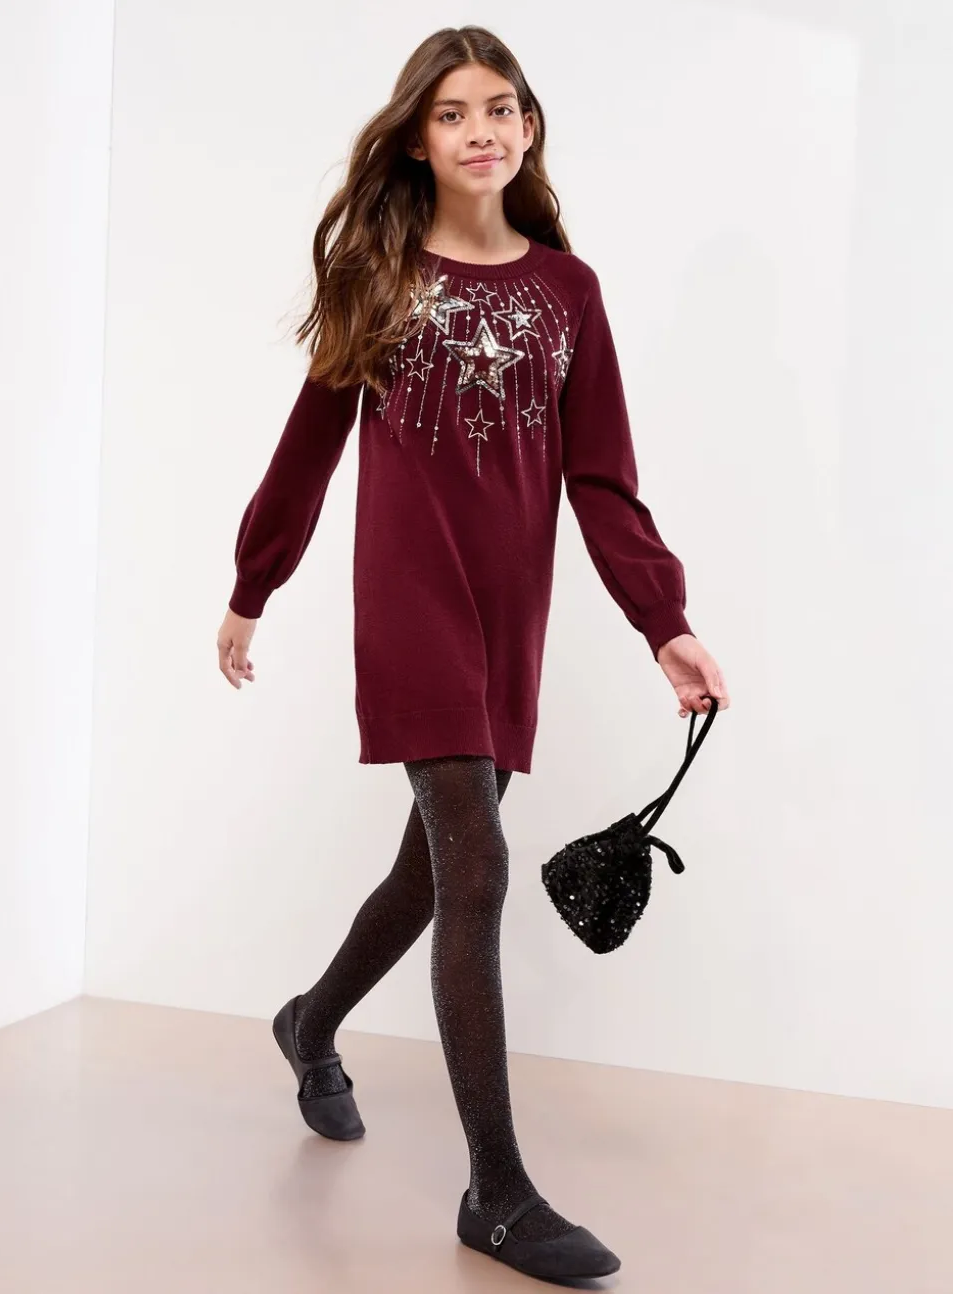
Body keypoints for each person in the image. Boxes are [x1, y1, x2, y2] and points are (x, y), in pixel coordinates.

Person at [216, 24, 729, 1282]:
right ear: (418, 139)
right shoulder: (379, 275)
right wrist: (253, 585)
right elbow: (308, 446)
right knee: (479, 867)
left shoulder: (569, 291)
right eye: (452, 114)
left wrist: (662, 619)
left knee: (431, 870)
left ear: (529, 125)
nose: (481, 130)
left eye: (500, 107)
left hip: (512, 615)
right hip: (409, 602)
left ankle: (309, 1022)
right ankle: (496, 1194)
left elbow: (602, 480)